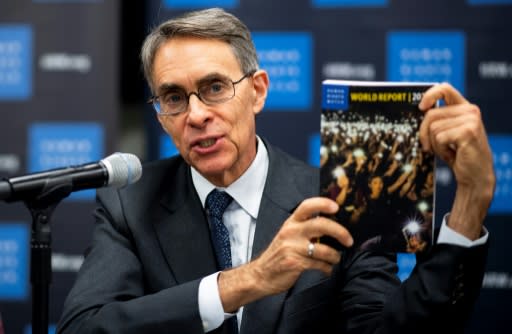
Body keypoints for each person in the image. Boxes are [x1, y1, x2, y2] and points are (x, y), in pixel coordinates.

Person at [56, 8, 495, 334]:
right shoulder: (129, 203)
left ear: (258, 92)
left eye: (214, 88)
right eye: (173, 97)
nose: (196, 114)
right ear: (160, 116)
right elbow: (83, 328)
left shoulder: (333, 197)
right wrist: (245, 282)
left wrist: (471, 202)